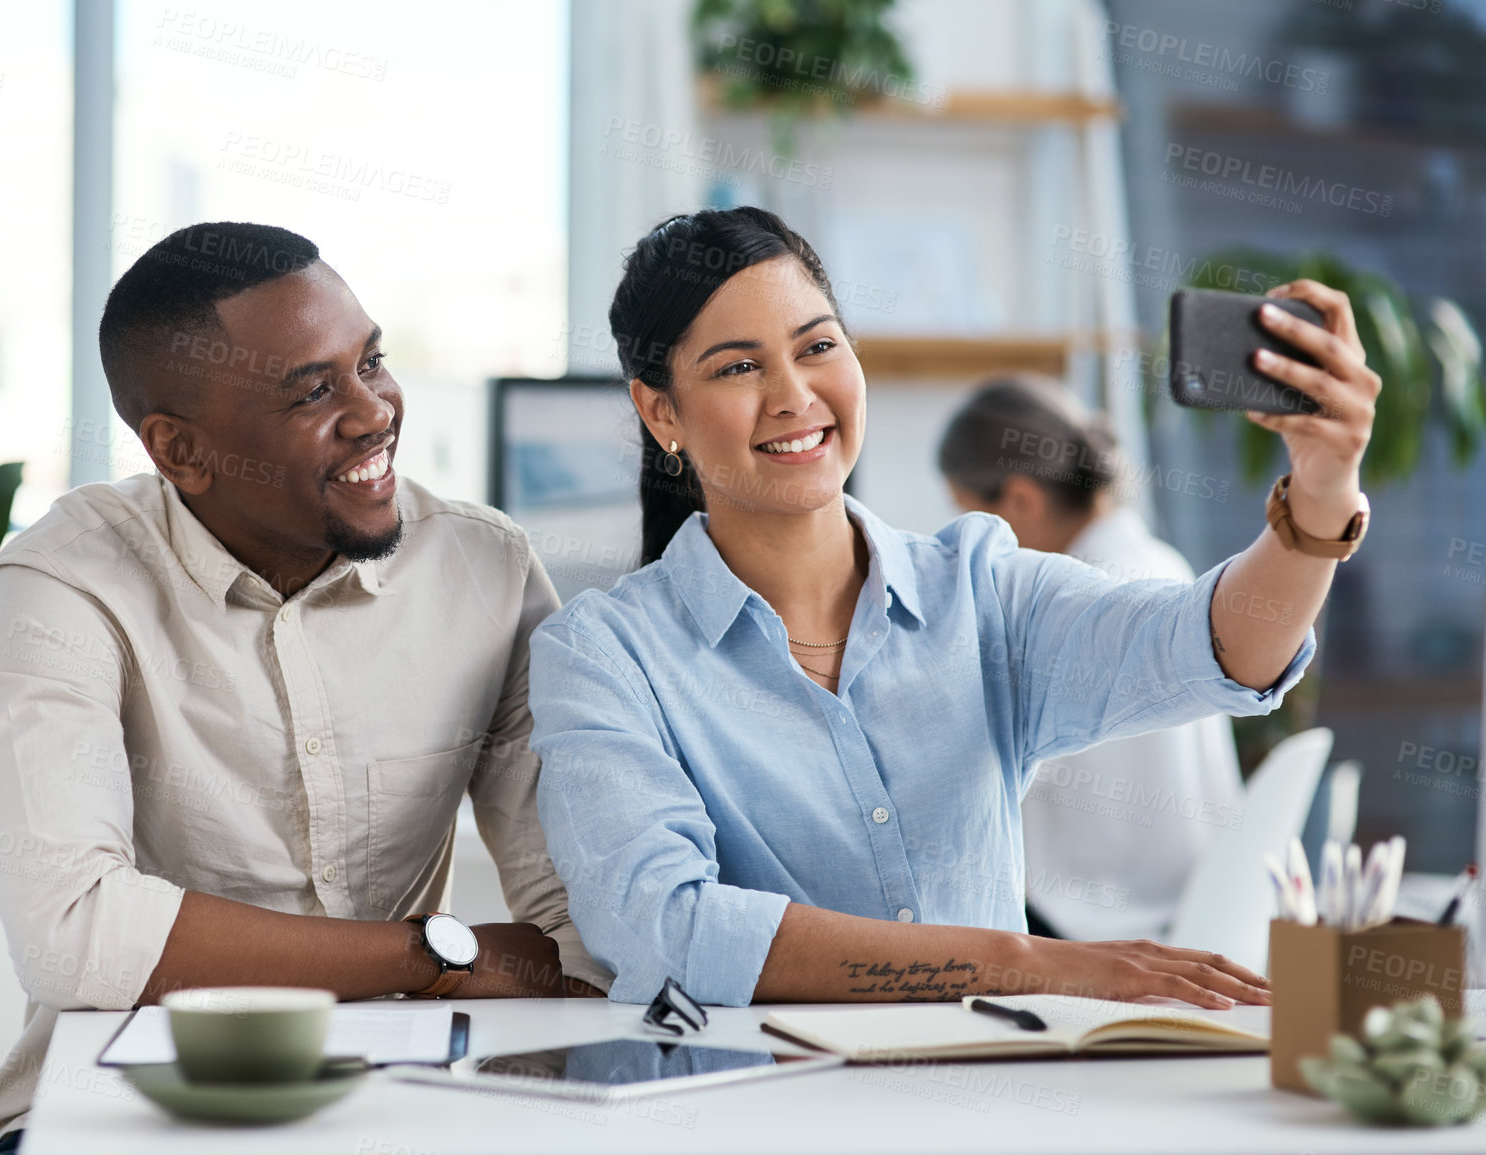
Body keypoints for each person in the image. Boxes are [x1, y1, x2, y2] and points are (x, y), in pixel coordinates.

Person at [529, 206, 1376, 1010]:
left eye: (816, 345)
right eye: (738, 366)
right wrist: (1022, 962)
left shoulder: (981, 588)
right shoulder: (603, 654)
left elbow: (1215, 646)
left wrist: (1322, 487)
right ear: (660, 410)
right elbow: (663, 927)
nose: (793, 395)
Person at [0, 222, 607, 1155]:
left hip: (406, 1106)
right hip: (131, 1108)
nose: (374, 411)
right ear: (181, 452)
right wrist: (431, 956)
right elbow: (75, 928)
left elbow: (575, 919)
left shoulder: (486, 568)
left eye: (372, 362)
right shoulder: (67, 582)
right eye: (314, 390)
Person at [938, 377, 1243, 941]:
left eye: (968, 520)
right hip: (1197, 910)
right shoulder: (1165, 564)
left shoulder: (1069, 606)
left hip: (1087, 923)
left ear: (1021, 501)